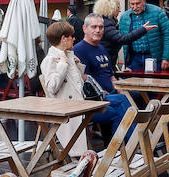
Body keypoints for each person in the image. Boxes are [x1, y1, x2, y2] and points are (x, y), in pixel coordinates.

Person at [72, 14, 132, 134]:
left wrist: (119, 88)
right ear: (84, 28)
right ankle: (131, 144)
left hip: (111, 93)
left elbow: (111, 75)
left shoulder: (102, 48)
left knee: (135, 97)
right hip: (95, 99)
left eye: (101, 27)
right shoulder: (79, 49)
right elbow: (83, 78)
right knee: (122, 104)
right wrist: (101, 91)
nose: (98, 30)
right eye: (94, 27)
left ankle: (125, 144)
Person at [40, 21, 89, 156]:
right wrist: (62, 66)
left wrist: (78, 65)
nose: (73, 39)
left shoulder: (69, 56)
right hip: (66, 110)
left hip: (80, 106)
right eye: (71, 36)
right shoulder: (50, 60)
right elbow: (52, 87)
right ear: (63, 38)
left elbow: (78, 85)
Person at [117, 0, 169, 71]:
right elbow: (121, 39)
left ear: (144, 1)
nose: (135, 7)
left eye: (138, 3)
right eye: (132, 4)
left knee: (155, 82)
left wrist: (166, 58)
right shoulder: (124, 17)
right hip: (134, 58)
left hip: (155, 57)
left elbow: (168, 36)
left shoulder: (158, 12)